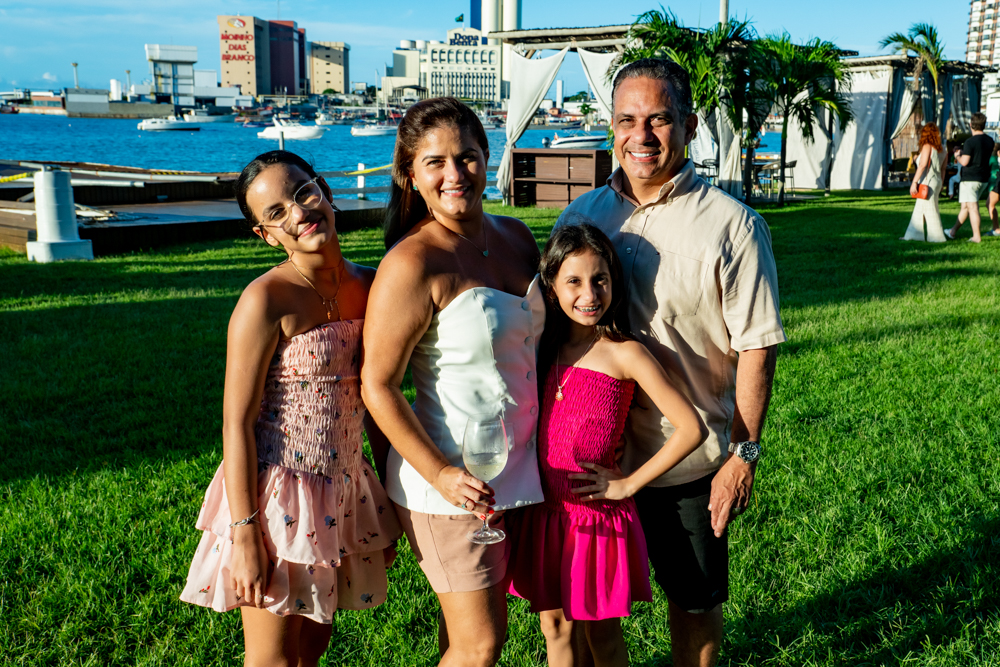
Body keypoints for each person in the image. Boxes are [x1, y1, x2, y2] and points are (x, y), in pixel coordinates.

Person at [555, 58, 786, 667]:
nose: (643, 135)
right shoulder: (580, 219)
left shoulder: (731, 226)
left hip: (687, 462)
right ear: (610, 126)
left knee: (692, 605)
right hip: (588, 466)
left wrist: (745, 455)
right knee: (587, 614)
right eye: (628, 119)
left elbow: (757, 347)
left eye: (659, 119)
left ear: (688, 123)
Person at [180, 151, 401, 666]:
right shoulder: (265, 300)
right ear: (264, 234)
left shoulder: (373, 286)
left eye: (302, 192)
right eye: (275, 212)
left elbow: (378, 394)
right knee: (273, 657)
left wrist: (390, 499)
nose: (298, 213)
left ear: (323, 188)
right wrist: (245, 534)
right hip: (277, 494)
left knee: (313, 646)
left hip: (344, 487)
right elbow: (236, 422)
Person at [360, 97, 545, 667]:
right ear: (410, 174)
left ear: (488, 158)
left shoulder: (516, 238)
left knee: (465, 638)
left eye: (466, 157)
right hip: (452, 484)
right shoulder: (412, 265)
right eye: (435, 162)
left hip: (521, 471)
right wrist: (440, 474)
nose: (454, 174)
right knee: (481, 644)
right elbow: (378, 384)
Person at [506, 223, 706, 667]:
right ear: (551, 286)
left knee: (603, 635)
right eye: (573, 282)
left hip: (594, 518)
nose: (589, 294)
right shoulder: (542, 347)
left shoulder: (624, 352)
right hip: (544, 513)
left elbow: (692, 428)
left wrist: (628, 483)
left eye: (600, 280)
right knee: (554, 628)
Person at [946, 112, 994, 242]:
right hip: (983, 178)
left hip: (970, 179)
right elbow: (979, 155)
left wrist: (957, 155)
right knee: (965, 207)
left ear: (971, 125)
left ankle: (976, 237)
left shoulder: (969, 141)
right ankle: (952, 232)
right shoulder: (990, 140)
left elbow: (965, 162)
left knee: (972, 208)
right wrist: (964, 153)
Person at [900, 122, 947, 242]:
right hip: (937, 181)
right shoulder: (943, 150)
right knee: (920, 209)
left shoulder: (927, 146)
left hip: (927, 181)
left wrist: (914, 182)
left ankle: (937, 238)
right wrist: (941, 183)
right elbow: (943, 168)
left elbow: (922, 165)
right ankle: (912, 235)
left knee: (930, 210)